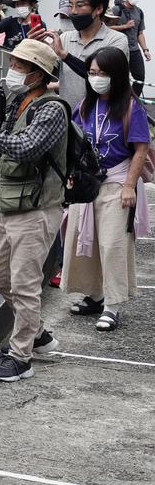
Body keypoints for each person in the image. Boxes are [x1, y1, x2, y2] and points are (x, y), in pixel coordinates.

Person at [0, 39, 68, 382]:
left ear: (38, 73)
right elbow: (1, 148)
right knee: (0, 276)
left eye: (20, 65)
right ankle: (38, 334)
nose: (13, 70)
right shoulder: (19, 102)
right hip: (8, 203)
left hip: (37, 207)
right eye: (14, 63)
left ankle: (21, 357)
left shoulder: (52, 109)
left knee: (24, 284)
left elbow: (25, 148)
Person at [61, 47, 151, 331]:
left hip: (117, 181)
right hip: (87, 184)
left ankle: (112, 305)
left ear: (117, 75)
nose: (95, 78)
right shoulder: (84, 105)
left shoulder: (131, 107)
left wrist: (129, 186)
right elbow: (74, 142)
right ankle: (96, 296)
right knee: (83, 242)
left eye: (102, 73)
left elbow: (141, 149)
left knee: (113, 245)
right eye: (91, 72)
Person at [32, 0, 130, 111]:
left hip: (103, 117)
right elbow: (48, 73)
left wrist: (65, 55)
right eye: (71, 5)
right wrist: (34, 48)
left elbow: (103, 77)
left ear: (98, 8)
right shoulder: (65, 38)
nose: (73, 11)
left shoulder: (116, 40)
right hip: (68, 116)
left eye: (79, 5)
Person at [113, 0, 150, 95]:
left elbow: (140, 33)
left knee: (140, 77)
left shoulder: (139, 12)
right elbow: (104, 27)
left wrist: (145, 50)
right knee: (118, 79)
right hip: (118, 50)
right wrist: (124, 26)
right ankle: (118, 102)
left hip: (134, 50)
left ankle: (132, 101)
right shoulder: (116, 9)